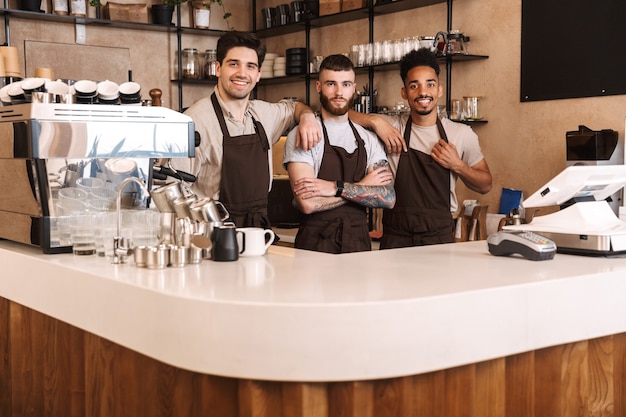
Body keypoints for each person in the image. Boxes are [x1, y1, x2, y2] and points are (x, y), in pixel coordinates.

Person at [169, 31, 321, 229]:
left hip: (258, 231)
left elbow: (295, 108)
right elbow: (174, 192)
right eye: (233, 64)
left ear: (258, 75)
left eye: (250, 66)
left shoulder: (264, 114)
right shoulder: (193, 121)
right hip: (213, 233)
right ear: (218, 68)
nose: (242, 73)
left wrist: (307, 117)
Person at [350, 48, 492, 249]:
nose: (423, 92)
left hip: (439, 239)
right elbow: (339, 114)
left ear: (439, 90)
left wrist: (458, 165)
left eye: (430, 84)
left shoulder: (461, 134)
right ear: (404, 92)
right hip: (395, 237)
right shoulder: (393, 126)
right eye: (414, 86)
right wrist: (375, 121)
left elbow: (486, 184)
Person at [283, 54, 396, 254]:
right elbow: (308, 204)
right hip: (315, 243)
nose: (338, 92)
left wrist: (334, 188)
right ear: (318, 87)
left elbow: (387, 198)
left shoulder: (368, 138)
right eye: (331, 84)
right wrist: (361, 186)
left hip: (358, 241)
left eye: (345, 84)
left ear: (354, 88)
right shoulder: (304, 134)